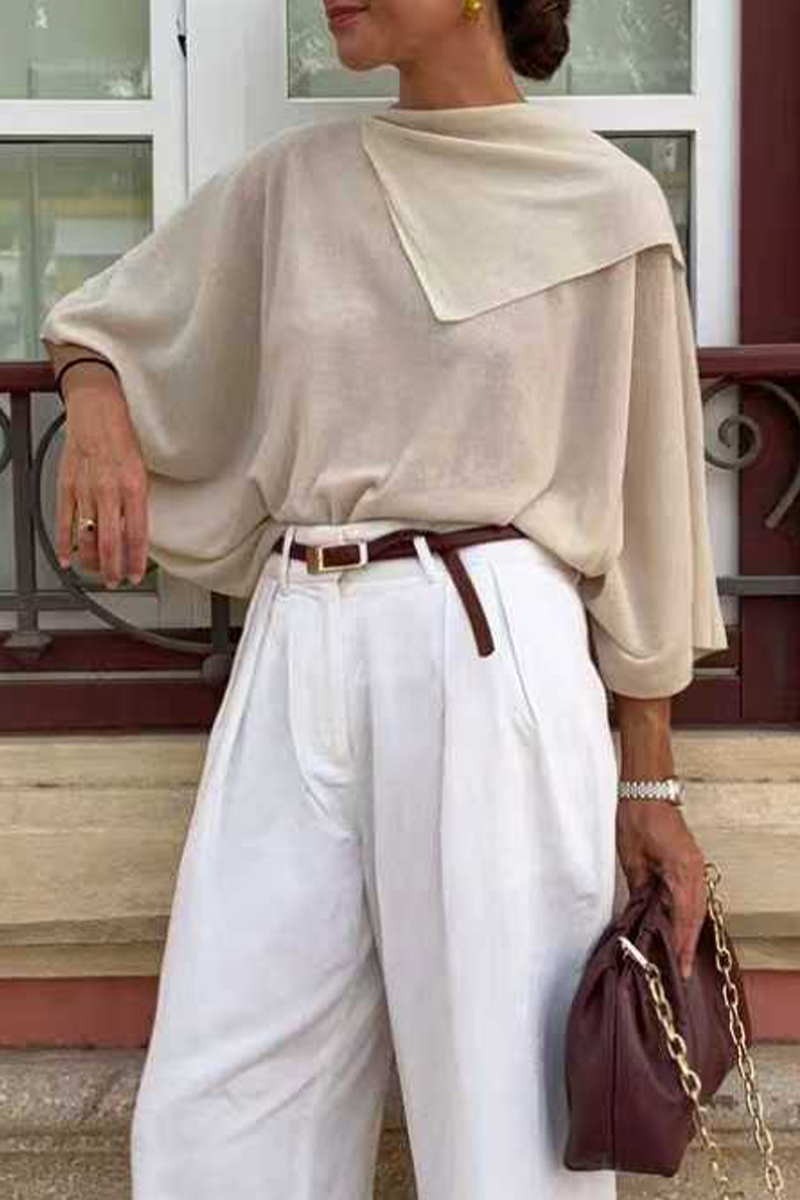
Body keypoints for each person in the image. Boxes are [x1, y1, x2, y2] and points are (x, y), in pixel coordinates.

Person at [39, 1, 728, 1197]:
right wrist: (93, 396)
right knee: (225, 1087)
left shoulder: (605, 205)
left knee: (503, 1107)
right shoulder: (293, 186)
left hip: (487, 643)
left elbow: (650, 507)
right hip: (295, 634)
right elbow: (106, 324)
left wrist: (649, 783)